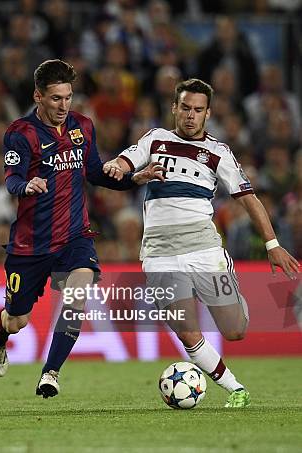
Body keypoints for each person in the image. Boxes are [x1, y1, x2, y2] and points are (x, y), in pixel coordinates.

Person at [104, 78, 299, 408]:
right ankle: (235, 389)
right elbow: (125, 163)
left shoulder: (218, 153)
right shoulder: (155, 139)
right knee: (187, 331)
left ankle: (228, 282)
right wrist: (116, 167)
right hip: (159, 253)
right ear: (174, 108)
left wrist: (272, 244)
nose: (190, 115)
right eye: (185, 108)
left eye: (198, 110)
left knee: (235, 330)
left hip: (204, 249)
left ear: (208, 114)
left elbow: (249, 200)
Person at [0, 59, 164, 398]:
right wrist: (27, 186)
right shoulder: (19, 134)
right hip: (31, 244)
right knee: (17, 321)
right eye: (55, 99)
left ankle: (50, 373)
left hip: (74, 236)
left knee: (78, 296)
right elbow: (11, 181)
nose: (63, 106)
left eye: (67, 97)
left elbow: (95, 173)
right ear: (38, 96)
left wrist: (133, 179)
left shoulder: (83, 126)